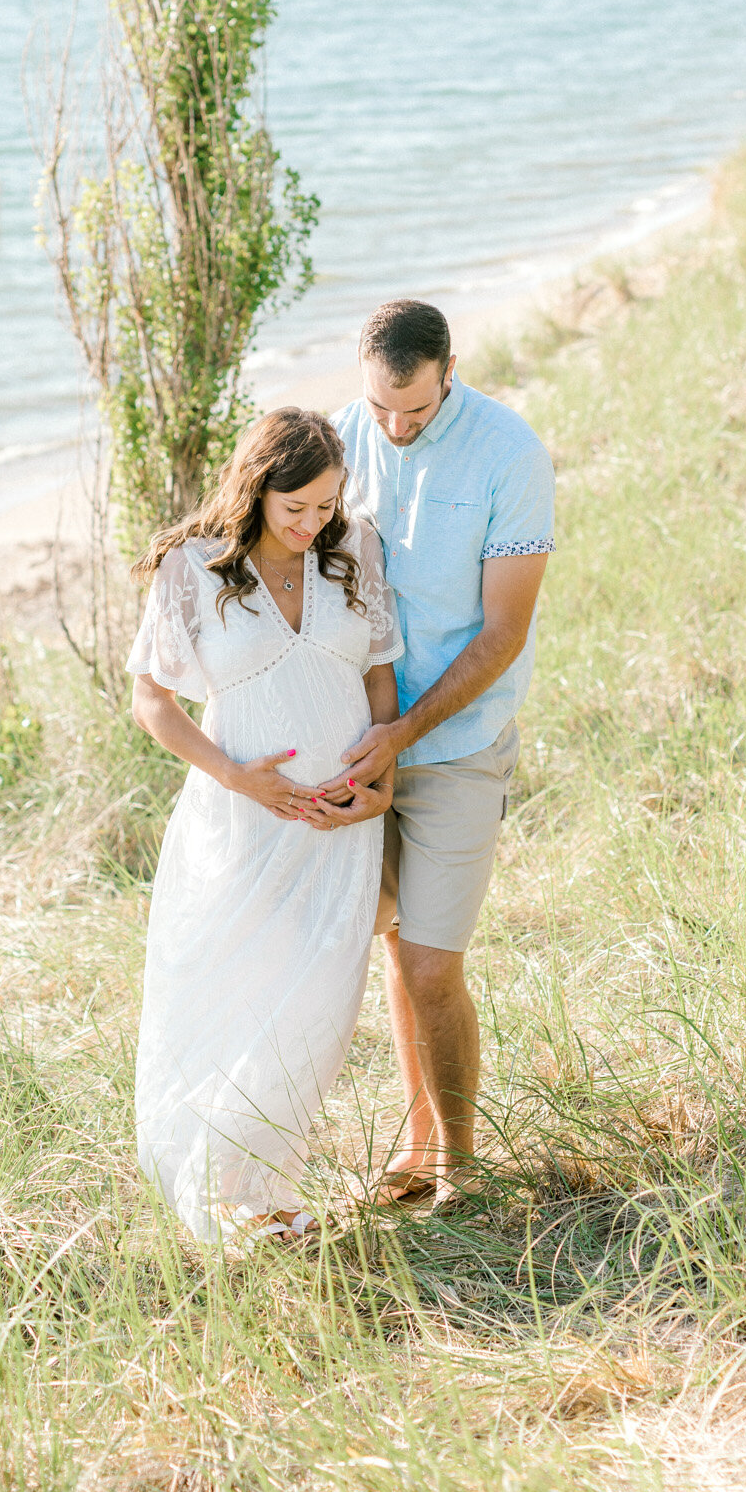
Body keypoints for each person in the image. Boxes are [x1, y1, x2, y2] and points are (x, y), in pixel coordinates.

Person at [127, 407, 402, 1244]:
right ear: (256, 490)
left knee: (315, 1010)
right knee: (238, 997)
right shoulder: (192, 566)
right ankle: (225, 1195)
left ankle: (259, 1187)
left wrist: (379, 786)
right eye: (296, 509)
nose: (313, 523)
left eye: (326, 505)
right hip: (241, 827)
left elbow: (382, 681)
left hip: (338, 829)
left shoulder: (353, 549)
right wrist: (238, 778)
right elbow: (151, 703)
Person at [315, 299, 555, 1208]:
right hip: (361, 737)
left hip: (455, 745)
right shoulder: (346, 432)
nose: (394, 427)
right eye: (380, 407)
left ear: (449, 368)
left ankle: (462, 1165)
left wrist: (403, 734)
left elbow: (502, 633)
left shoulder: (510, 455)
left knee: (428, 962)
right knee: (386, 945)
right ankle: (415, 1148)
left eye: (413, 409)